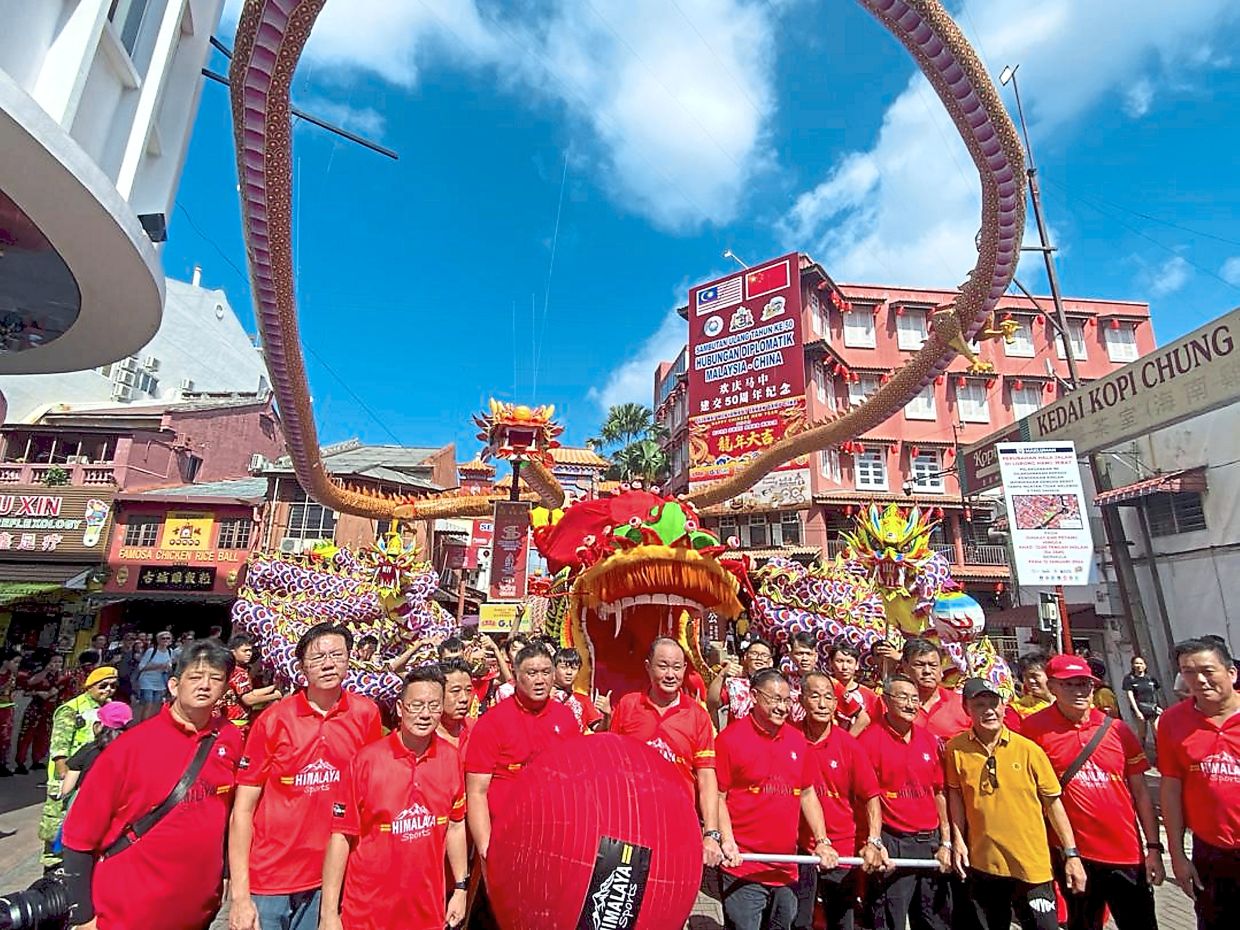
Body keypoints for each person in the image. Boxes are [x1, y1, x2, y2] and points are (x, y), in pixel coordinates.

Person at [60, 640, 245, 930]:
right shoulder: (130, 747)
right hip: (127, 912)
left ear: (224, 689)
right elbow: (78, 836)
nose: (205, 685)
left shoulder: (230, 739)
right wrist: (83, 917)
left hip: (197, 910)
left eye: (215, 678)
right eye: (195, 677)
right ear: (174, 685)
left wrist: (224, 877)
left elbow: (230, 816)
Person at [228, 623, 383, 930]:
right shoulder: (273, 720)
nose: (328, 664)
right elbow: (242, 810)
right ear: (301, 668)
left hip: (332, 879)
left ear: (350, 660)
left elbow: (369, 798)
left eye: (337, 655)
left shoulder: (366, 714)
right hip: (270, 878)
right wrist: (240, 896)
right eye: (318, 657)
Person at [319, 666, 469, 930]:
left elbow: (455, 825)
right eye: (416, 705)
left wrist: (460, 888)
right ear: (400, 708)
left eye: (434, 706)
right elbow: (341, 837)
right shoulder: (366, 761)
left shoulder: (450, 758)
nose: (425, 714)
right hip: (367, 913)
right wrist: (329, 914)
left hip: (426, 911)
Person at [1023, 654, 1162, 930]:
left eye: (1085, 684)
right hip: (1074, 854)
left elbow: (1141, 794)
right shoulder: (1033, 731)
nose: (1079, 691)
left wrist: (1154, 847)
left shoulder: (1117, 729)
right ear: (1052, 687)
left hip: (1127, 853)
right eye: (1069, 684)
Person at [946, 677, 1087, 930]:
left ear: (1004, 707)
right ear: (967, 709)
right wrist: (958, 840)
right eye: (980, 705)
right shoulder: (955, 750)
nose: (989, 711)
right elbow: (955, 796)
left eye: (994, 703)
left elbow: (1054, 805)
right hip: (984, 864)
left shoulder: (1029, 750)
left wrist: (1071, 854)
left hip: (1031, 864)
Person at [465, 643, 577, 928]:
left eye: (545, 672)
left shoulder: (565, 719)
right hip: (505, 844)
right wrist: (487, 849)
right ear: (515, 675)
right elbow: (476, 792)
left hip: (552, 843)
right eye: (531, 673)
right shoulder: (493, 722)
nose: (540, 680)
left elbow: (576, 783)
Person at [716, 668, 836, 930]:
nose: (782, 707)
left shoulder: (797, 741)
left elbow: (807, 793)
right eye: (775, 699)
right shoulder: (730, 740)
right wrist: (727, 841)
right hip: (744, 866)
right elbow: (718, 797)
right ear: (754, 696)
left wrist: (822, 841)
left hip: (786, 869)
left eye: (786, 700)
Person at [609, 638, 723, 867]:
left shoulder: (697, 715)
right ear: (648, 667)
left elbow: (706, 776)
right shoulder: (628, 706)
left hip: (678, 827)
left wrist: (711, 834)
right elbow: (612, 767)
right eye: (663, 666)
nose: (670, 675)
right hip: (629, 825)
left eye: (677, 667)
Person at [857, 672, 953, 930]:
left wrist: (946, 841)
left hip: (930, 842)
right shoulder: (869, 740)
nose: (911, 704)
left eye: (914, 698)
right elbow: (866, 798)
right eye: (903, 697)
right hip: (893, 842)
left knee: (935, 920)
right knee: (889, 919)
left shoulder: (928, 739)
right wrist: (874, 841)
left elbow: (939, 791)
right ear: (886, 700)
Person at [1157, 637, 1240, 930]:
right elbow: (1171, 789)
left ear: (1232, 673)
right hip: (1211, 851)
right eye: (1188, 672)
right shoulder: (1172, 722)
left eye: (1207, 670)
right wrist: (1177, 855)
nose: (1199, 680)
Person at [793, 672, 884, 930]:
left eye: (828, 698)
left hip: (841, 845)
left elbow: (871, 797)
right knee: (799, 920)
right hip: (798, 847)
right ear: (801, 700)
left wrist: (874, 841)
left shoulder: (849, 746)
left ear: (836, 704)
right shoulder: (789, 738)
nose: (822, 704)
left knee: (841, 919)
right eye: (815, 696)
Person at [39, 666, 119, 868]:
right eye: (103, 685)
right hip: (67, 778)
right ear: (89, 686)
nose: (108, 690)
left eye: (112, 686)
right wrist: (65, 778)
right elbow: (59, 750)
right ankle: (51, 872)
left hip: (91, 779)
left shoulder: (109, 708)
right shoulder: (71, 709)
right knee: (55, 829)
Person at [56, 701, 133, 801]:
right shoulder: (134, 751)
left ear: (99, 726)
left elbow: (66, 789)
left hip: (89, 802)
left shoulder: (89, 750)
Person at [902, 638, 971, 740]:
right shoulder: (892, 705)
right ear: (905, 667)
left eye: (933, 665)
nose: (927, 671)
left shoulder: (963, 704)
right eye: (919, 665)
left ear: (941, 669)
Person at [707, 637, 774, 728]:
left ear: (770, 661)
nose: (759, 658)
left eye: (764, 655)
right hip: (738, 734)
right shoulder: (734, 684)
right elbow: (712, 703)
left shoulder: (777, 686)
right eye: (754, 653)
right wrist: (722, 675)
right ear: (745, 657)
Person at [219, 635, 282, 729]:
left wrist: (272, 688)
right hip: (238, 724)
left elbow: (248, 692)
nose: (249, 654)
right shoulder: (240, 673)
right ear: (233, 652)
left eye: (250, 650)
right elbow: (248, 699)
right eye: (245, 651)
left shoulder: (230, 670)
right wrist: (275, 696)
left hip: (227, 722)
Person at [15, 653, 64, 772]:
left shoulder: (61, 676)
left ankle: (37, 760)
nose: (57, 664)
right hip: (36, 708)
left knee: (43, 736)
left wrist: (50, 694)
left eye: (59, 662)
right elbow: (29, 684)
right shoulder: (40, 673)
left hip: (50, 709)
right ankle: (21, 762)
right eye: (54, 661)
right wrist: (45, 672)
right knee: (26, 735)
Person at [828, 642, 878, 736]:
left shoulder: (870, 696)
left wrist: (847, 741)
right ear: (830, 663)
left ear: (857, 665)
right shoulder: (824, 691)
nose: (844, 667)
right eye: (839, 661)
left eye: (849, 662)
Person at [551, 648, 605, 733]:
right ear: (553, 669)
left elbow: (599, 729)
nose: (569, 672)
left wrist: (607, 715)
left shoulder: (583, 700)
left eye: (574, 668)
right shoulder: (541, 696)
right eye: (564, 667)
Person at [437, 658, 475, 755]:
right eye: (456, 691)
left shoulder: (477, 729)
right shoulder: (422, 735)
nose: (464, 698)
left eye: (468, 690)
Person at [135, 631, 175, 721]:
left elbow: (169, 667)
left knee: (156, 705)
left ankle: (151, 723)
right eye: (163, 638)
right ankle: (143, 725)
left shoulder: (170, 652)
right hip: (147, 680)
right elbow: (141, 667)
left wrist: (168, 669)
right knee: (148, 704)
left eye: (168, 638)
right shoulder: (151, 651)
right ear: (158, 640)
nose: (165, 640)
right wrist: (157, 666)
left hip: (160, 681)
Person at [1121, 656, 1162, 745]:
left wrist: (1159, 706)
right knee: (1142, 734)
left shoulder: (1150, 678)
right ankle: (1141, 751)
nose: (1139, 666)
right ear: (1132, 665)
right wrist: (1137, 711)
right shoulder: (1129, 679)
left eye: (1141, 663)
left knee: (1157, 731)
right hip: (1140, 709)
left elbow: (1157, 693)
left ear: (1145, 665)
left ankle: (1161, 751)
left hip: (1152, 708)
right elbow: (1130, 696)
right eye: (1136, 663)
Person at [1011, 652, 1053, 719]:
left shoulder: (1065, 703)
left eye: (1034, 676)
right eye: (1026, 676)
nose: (1031, 681)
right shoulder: (1017, 708)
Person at [0, 649, 19, 776]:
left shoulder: (12, 676)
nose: (17, 665)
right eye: (15, 662)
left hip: (7, 710)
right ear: (5, 662)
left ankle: (2, 764)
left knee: (5, 738)